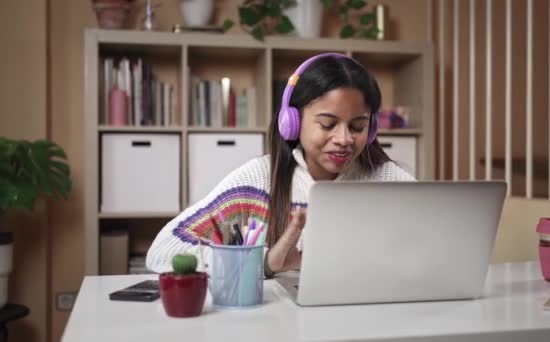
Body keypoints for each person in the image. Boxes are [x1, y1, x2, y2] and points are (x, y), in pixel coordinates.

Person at [145, 52, 415, 278]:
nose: (344, 139)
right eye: (328, 124)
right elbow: (164, 250)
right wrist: (261, 263)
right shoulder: (258, 180)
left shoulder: (388, 180)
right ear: (292, 122)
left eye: (358, 126)